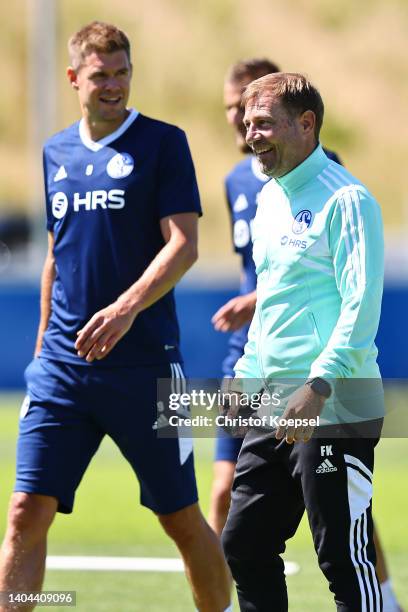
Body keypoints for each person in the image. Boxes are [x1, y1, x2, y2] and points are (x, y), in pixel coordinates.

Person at [0, 21, 231, 612]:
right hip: (61, 369)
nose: (114, 85)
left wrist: (127, 309)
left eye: (122, 72)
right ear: (75, 78)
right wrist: (42, 348)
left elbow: (184, 244)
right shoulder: (54, 151)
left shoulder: (162, 143)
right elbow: (58, 252)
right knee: (25, 514)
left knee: (179, 518)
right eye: (101, 75)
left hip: (147, 366)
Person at [210, 60, 403, 612]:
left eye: (264, 123)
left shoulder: (348, 200)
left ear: (307, 124)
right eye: (248, 124)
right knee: (244, 543)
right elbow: (271, 303)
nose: (251, 136)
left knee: (343, 557)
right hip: (275, 402)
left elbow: (362, 307)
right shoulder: (270, 198)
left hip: (334, 404)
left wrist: (317, 385)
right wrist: (244, 377)